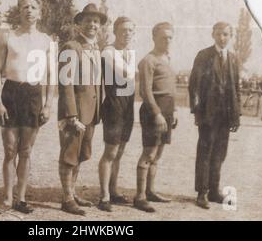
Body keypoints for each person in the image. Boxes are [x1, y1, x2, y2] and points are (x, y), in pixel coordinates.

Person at [0, 0, 55, 214]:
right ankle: (8, 198)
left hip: (34, 95)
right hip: (11, 92)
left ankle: (21, 198)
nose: (29, 10)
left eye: (34, 7)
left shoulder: (47, 41)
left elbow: (51, 76)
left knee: (26, 150)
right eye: (25, 6)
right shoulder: (8, 37)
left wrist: (48, 105)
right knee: (10, 150)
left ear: (40, 12)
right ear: (19, 11)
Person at [57, 3, 105, 215]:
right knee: (69, 155)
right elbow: (65, 84)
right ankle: (67, 199)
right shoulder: (71, 47)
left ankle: (73, 192)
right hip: (75, 114)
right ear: (79, 24)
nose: (92, 24)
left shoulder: (96, 48)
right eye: (88, 20)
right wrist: (71, 115)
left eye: (96, 21)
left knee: (80, 155)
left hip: (91, 113)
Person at [188, 22, 240, 209]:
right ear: (213, 34)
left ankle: (213, 190)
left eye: (226, 34)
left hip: (225, 115)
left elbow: (236, 88)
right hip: (208, 113)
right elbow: (194, 85)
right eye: (219, 34)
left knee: (220, 152)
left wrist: (236, 115)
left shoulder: (233, 58)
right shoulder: (204, 55)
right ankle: (201, 193)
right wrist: (196, 111)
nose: (222, 38)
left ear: (230, 36)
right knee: (205, 152)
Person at [133, 22, 178, 213]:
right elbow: (145, 91)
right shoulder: (148, 60)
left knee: (158, 154)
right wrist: (157, 113)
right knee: (149, 153)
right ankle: (140, 196)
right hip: (153, 111)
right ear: (154, 38)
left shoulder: (167, 58)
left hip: (167, 110)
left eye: (170, 37)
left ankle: (151, 191)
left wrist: (173, 111)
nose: (167, 41)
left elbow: (171, 89)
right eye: (163, 37)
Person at [97, 17, 136, 212]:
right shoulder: (108, 52)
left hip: (128, 104)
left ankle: (113, 191)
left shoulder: (129, 52)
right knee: (110, 152)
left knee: (119, 152)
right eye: (123, 30)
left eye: (130, 30)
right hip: (113, 104)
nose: (127, 33)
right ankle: (104, 196)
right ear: (115, 31)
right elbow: (127, 74)